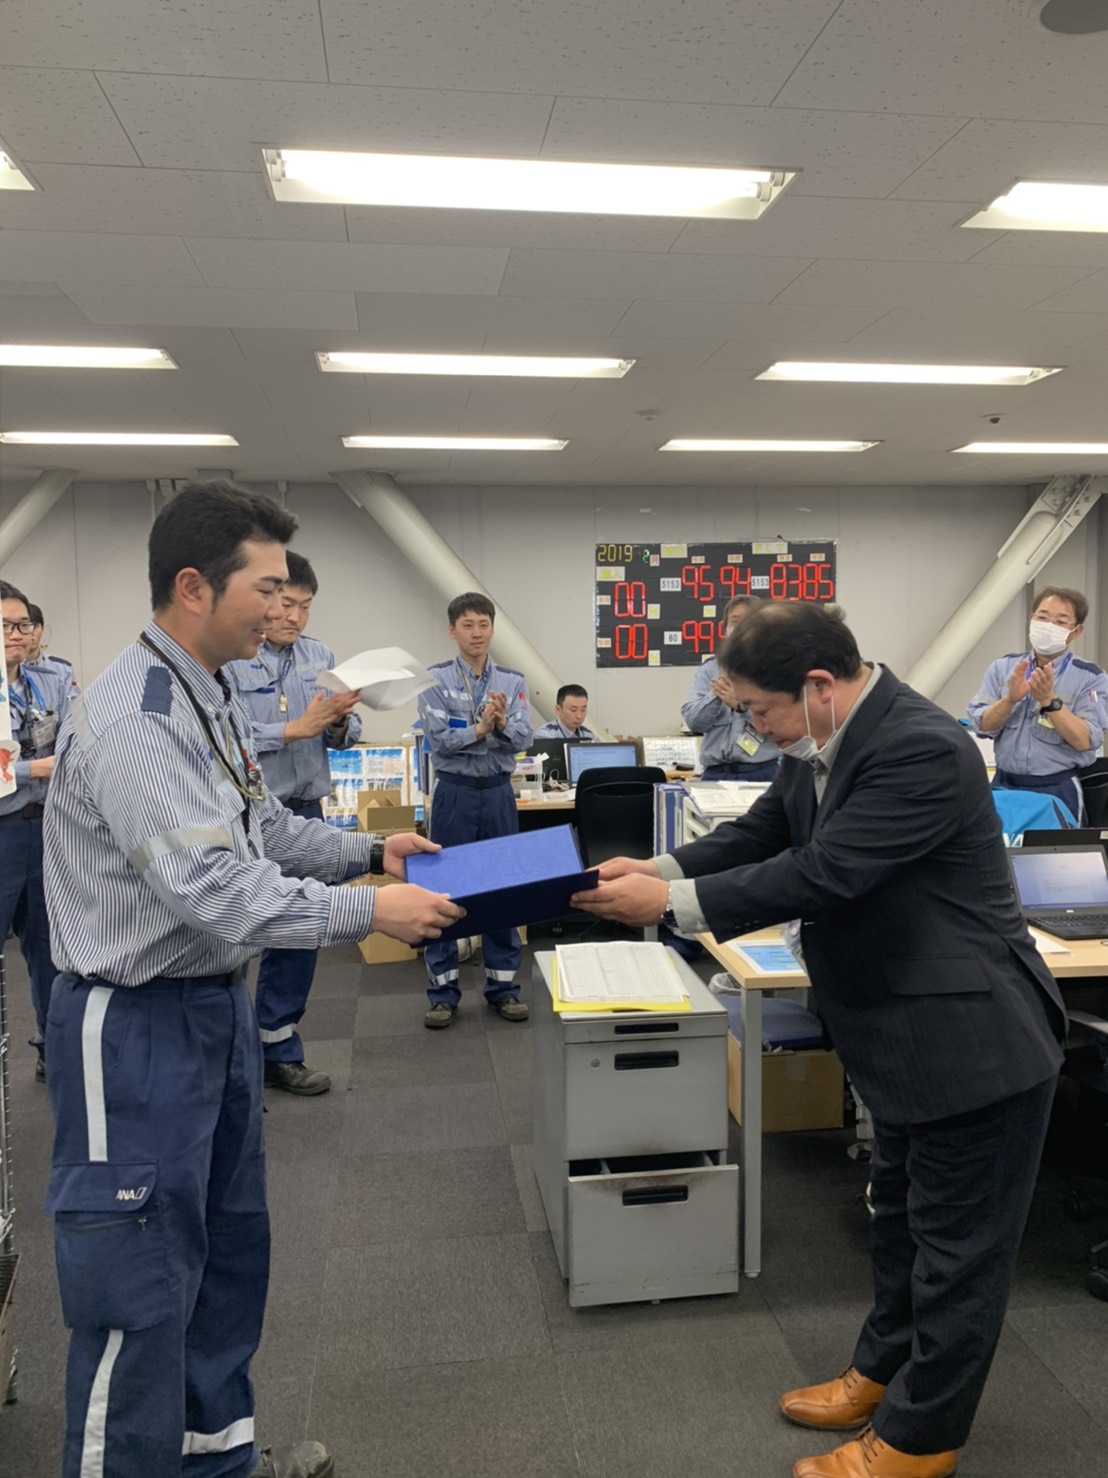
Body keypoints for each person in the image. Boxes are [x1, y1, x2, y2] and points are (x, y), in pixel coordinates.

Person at [572, 602, 1065, 1478]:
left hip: (973, 1043)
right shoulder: (820, 740)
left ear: (819, 685)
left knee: (958, 1260)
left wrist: (673, 907)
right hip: (899, 1035)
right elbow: (765, 832)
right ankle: (879, 1372)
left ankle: (920, 1441)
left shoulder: (922, 746)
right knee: (898, 1227)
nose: (753, 728)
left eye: (760, 711)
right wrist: (660, 867)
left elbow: (828, 870)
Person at [42, 480, 463, 1478]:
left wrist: (370, 853)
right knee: (136, 1282)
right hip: (133, 1025)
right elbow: (215, 890)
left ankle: (210, 1460)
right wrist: (371, 912)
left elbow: (260, 828)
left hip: (209, 1011)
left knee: (224, 1255)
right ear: (194, 586)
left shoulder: (211, 689)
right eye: (267, 588)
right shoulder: (139, 717)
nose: (284, 609)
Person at [226, 551, 361, 1095]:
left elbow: (343, 737)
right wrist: (292, 729)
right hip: (250, 817)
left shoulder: (320, 655)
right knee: (236, 932)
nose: (294, 617)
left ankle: (279, 1048)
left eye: (305, 606)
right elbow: (227, 735)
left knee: (300, 933)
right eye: (286, 604)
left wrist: (339, 723)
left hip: (307, 812)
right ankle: (229, 1053)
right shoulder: (235, 657)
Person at [417, 591, 533, 1028]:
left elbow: (524, 738)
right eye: (467, 624)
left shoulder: (512, 682)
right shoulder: (434, 680)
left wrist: (500, 726)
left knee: (502, 888)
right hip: (455, 793)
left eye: (484, 624)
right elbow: (438, 740)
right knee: (444, 890)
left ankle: (503, 989)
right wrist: (481, 729)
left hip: (499, 792)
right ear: (453, 631)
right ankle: (442, 993)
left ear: (492, 629)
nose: (477, 633)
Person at [0, 579, 74, 1080]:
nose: (16, 633)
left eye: (22, 624)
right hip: (2, 830)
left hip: (46, 830)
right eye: (5, 625)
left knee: (51, 947)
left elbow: (75, 735)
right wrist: (36, 769)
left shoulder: (49, 679)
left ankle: (56, 1047)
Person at [968, 585, 1108, 824]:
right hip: (1004, 786)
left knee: (1058, 849)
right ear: (1031, 619)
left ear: (1075, 631)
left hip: (1057, 788)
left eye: (1060, 621)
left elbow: (1086, 740)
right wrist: (1010, 699)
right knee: (998, 847)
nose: (1049, 626)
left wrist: (1050, 701)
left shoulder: (1090, 678)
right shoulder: (1003, 668)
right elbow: (982, 725)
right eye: (1043, 617)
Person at [681, 595, 780, 780]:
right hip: (715, 774)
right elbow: (694, 723)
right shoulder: (709, 669)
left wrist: (741, 706)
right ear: (725, 627)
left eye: (747, 621)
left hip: (762, 773)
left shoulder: (774, 668)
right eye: (735, 621)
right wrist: (717, 694)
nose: (740, 627)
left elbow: (780, 723)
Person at [534, 684, 598, 741]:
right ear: (558, 710)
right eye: (573, 710)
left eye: (583, 710)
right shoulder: (546, 734)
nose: (579, 716)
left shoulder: (589, 736)